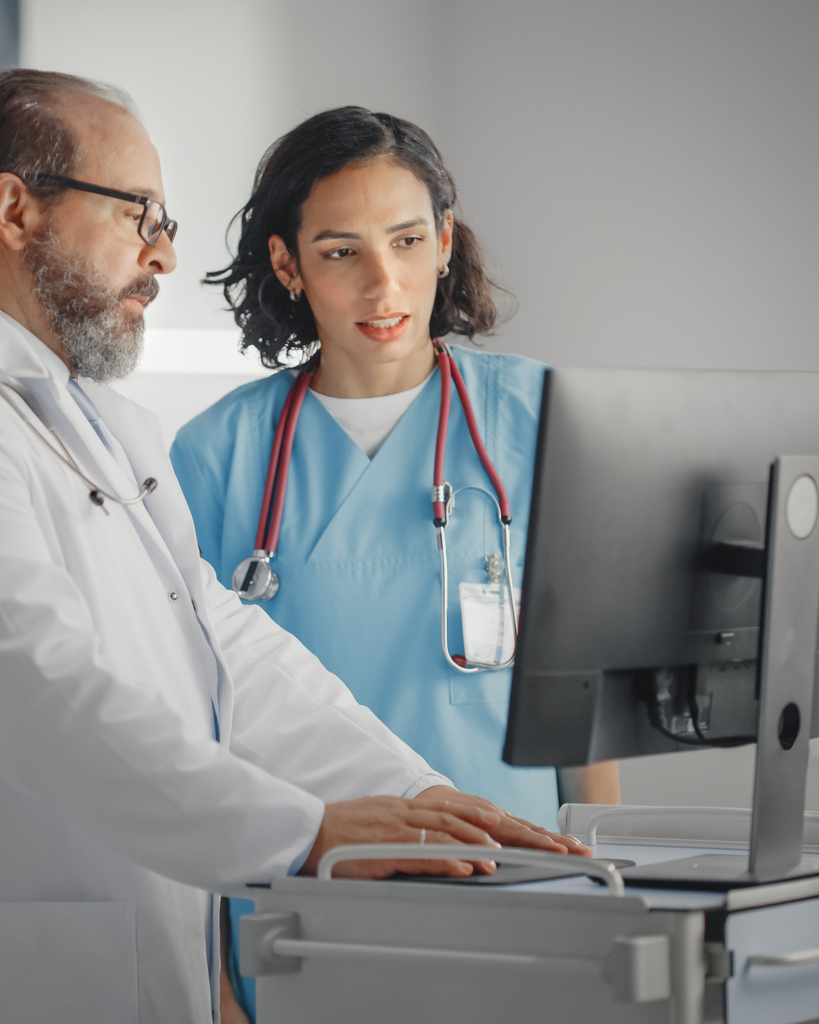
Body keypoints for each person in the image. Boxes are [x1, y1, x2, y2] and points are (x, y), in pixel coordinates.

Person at [0, 70, 589, 1024]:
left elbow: (226, 648)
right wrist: (310, 832)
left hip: (110, 968)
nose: (163, 254)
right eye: (138, 213)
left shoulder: (105, 424)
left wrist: (416, 793)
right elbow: (42, 694)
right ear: (13, 210)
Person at [168, 107, 621, 1015]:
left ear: (445, 242)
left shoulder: (540, 419)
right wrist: (207, 973)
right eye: (340, 252)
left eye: (408, 241)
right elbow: (185, 739)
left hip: (520, 888)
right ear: (287, 264)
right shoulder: (211, 457)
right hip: (301, 906)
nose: (385, 284)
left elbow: (585, 704)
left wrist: (610, 887)